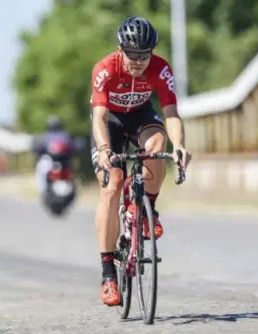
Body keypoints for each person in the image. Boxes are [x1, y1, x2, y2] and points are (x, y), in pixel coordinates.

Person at [90, 16, 192, 306]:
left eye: (144, 55)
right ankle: (108, 273)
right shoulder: (105, 70)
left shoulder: (161, 69)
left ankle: (147, 209)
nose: (137, 61)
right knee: (112, 187)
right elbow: (98, 116)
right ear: (120, 49)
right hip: (109, 121)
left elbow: (171, 113)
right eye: (132, 54)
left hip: (140, 116)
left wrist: (181, 146)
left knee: (158, 144)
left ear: (152, 52)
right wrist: (104, 149)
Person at [33, 115, 75, 193]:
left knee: (41, 168)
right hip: (57, 162)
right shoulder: (65, 135)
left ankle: (42, 189)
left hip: (62, 163)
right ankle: (43, 189)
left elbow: (38, 149)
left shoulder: (46, 136)